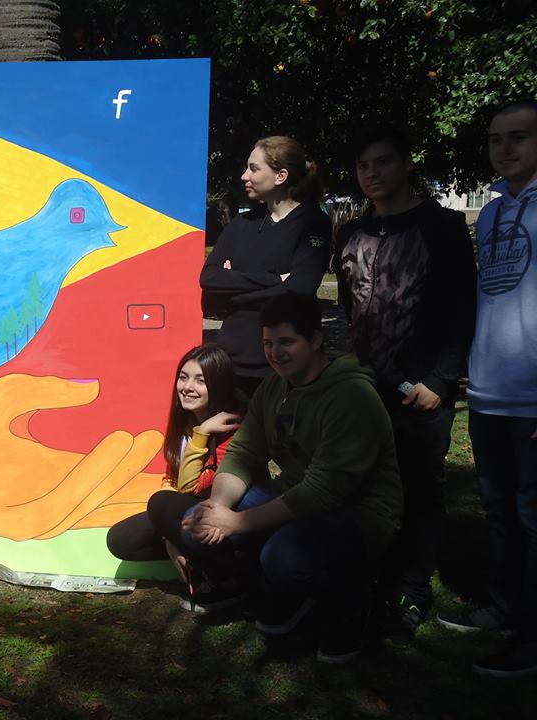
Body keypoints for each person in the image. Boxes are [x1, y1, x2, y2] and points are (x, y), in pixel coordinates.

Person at [150, 293, 401, 663]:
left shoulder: (352, 396)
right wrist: (217, 508)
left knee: (282, 557)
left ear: (315, 340)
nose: (275, 353)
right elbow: (244, 453)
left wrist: (237, 522)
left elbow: (324, 491)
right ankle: (259, 587)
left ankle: (353, 604)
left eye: (287, 342)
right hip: (296, 496)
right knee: (192, 520)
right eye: (268, 343)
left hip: (358, 512)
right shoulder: (273, 387)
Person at [334, 127, 477, 644]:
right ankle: (371, 581)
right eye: (363, 166)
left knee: (419, 491)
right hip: (365, 386)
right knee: (366, 485)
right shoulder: (351, 232)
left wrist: (441, 378)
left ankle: (411, 591)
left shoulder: (441, 226)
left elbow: (463, 306)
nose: (372, 174)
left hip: (422, 388)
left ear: (406, 164)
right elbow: (347, 306)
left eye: (383, 162)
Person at [436, 100, 537, 679]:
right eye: (497, 138)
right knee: (501, 511)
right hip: (490, 391)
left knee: (533, 515)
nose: (505, 148)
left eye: (519, 137)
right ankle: (503, 610)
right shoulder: (494, 209)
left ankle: (531, 636)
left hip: (533, 397)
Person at [200, 136, 331, 396]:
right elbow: (209, 278)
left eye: (253, 168)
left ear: (280, 176)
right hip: (232, 361)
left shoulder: (313, 223)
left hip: (285, 368)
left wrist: (234, 293)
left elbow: (299, 290)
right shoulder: (242, 223)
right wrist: (274, 280)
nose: (244, 176)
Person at [106, 344, 243, 568]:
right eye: (183, 377)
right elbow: (172, 478)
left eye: (200, 381)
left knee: (160, 504)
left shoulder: (231, 426)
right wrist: (168, 534)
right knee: (120, 539)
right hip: (186, 511)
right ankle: (190, 556)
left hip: (221, 513)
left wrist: (202, 434)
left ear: (218, 385)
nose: (187, 387)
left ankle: (224, 570)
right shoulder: (185, 419)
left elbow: (190, 487)